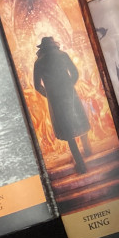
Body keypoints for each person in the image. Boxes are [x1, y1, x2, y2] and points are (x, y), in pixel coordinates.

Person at [33, 37, 91, 173]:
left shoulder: (39, 62)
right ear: (54, 45)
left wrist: (49, 95)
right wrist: (69, 86)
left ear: (42, 48)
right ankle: (88, 151)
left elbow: (37, 86)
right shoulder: (63, 55)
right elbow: (75, 73)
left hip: (56, 99)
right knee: (80, 121)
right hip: (70, 94)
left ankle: (81, 165)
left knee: (67, 130)